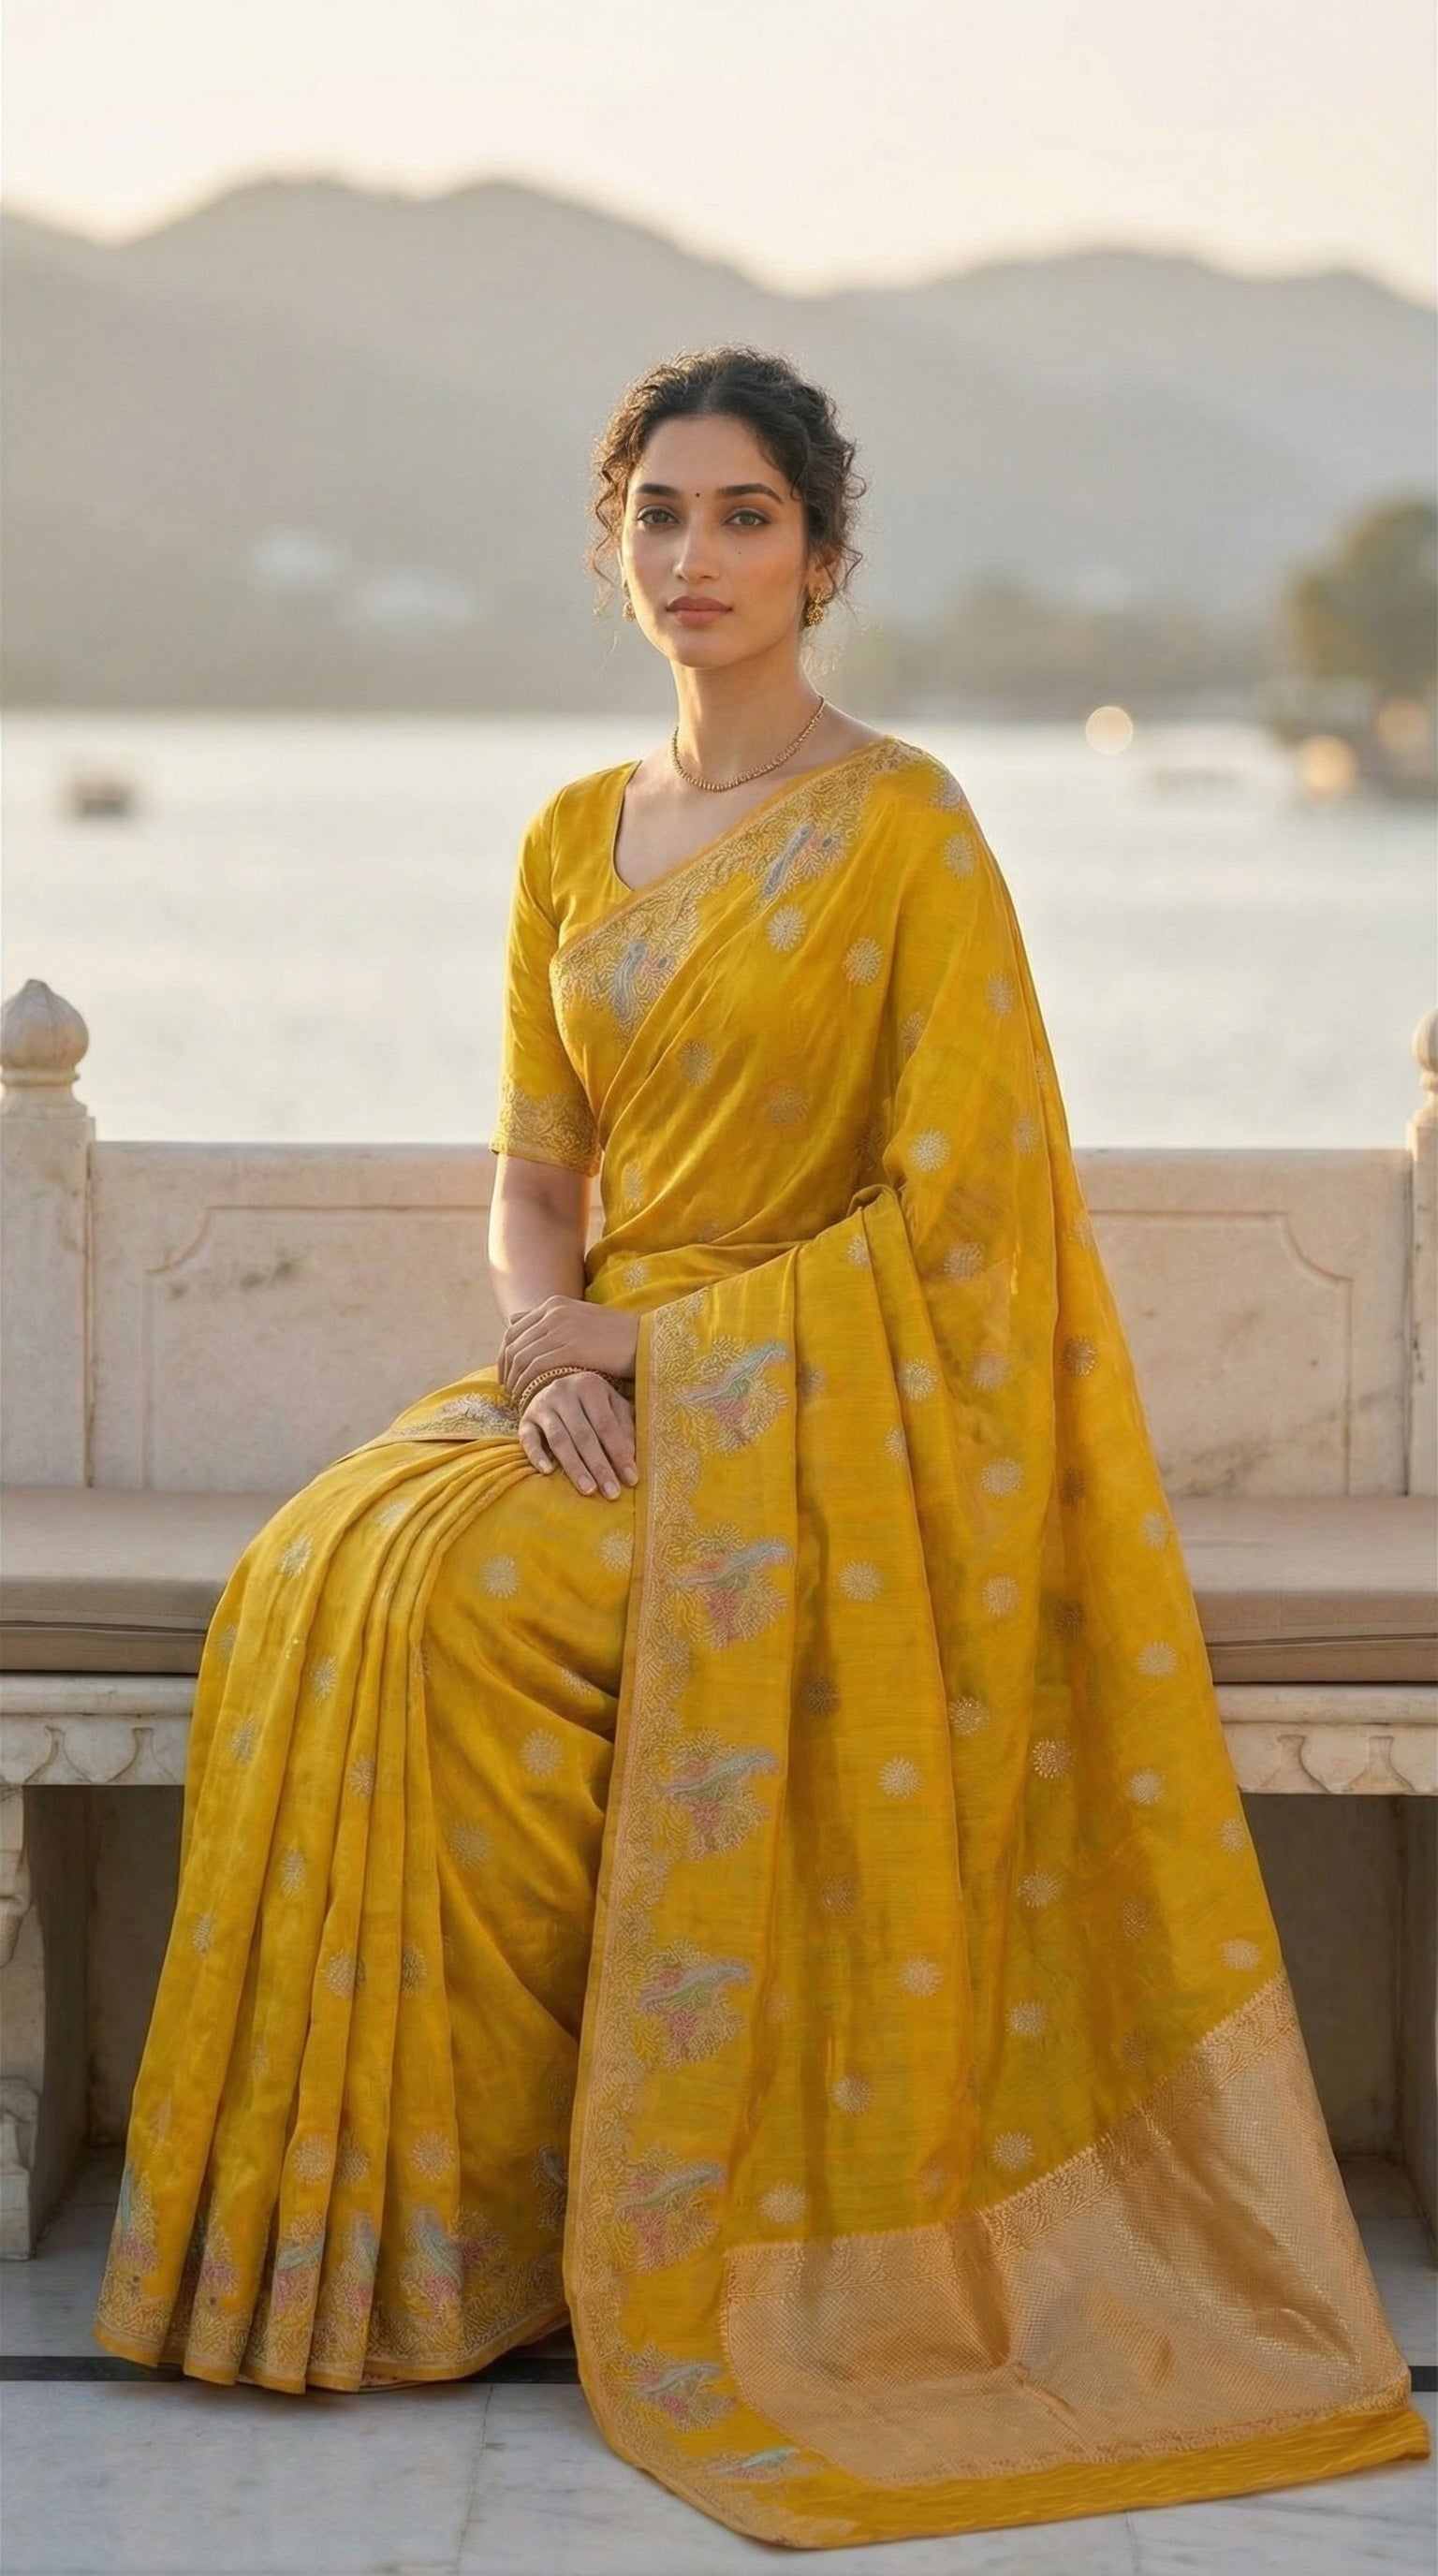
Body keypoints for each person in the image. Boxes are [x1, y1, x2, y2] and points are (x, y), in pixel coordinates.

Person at [95, 348, 1426, 2550]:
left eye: (744, 516)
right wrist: (549, 1345)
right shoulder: (567, 838)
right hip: (594, 1366)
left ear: (820, 555)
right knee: (327, 1577)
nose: (695, 556)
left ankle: (564, 2220)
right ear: (611, 545)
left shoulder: (905, 828)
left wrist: (670, 1347)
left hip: (823, 1411)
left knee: (465, 1613)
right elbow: (537, 1169)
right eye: (660, 513)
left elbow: (969, 1216)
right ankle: (423, 2229)